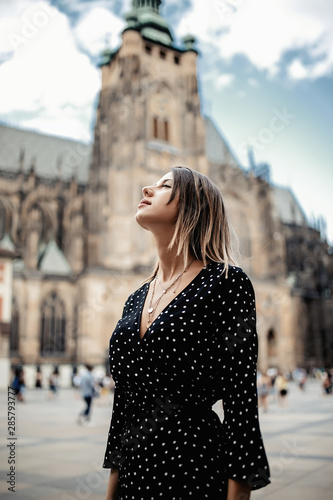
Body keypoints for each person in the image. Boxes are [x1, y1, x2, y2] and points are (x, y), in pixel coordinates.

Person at [103, 166, 271, 500]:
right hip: (133, 480)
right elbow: (123, 411)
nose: (147, 189)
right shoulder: (136, 297)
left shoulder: (227, 283)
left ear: (192, 206)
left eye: (164, 186)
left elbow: (241, 410)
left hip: (192, 470)